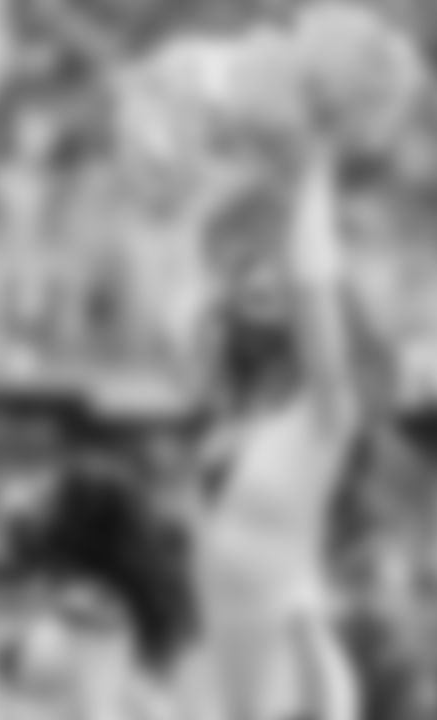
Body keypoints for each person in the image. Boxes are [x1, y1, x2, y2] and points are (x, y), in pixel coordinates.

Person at [178, 152, 361, 720]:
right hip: (228, 681)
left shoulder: (326, 411)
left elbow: (317, 302)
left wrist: (314, 171)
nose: (260, 279)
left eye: (274, 262)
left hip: (295, 684)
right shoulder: (230, 417)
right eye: (245, 265)